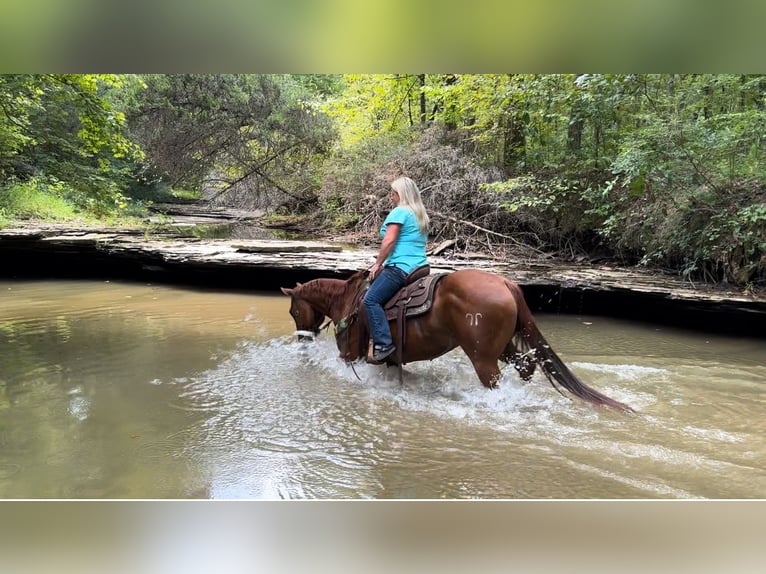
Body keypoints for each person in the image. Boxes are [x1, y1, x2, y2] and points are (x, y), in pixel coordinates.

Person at [363, 176, 430, 363]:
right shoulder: (420, 214)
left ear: (400, 194)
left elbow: (390, 240)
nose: (391, 196)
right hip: (421, 266)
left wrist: (378, 263)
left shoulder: (400, 212)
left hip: (401, 268)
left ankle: (383, 344)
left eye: (393, 193)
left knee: (371, 300)